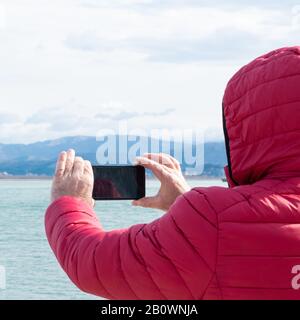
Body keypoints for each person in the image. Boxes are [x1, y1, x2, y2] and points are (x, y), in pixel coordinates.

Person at [45, 46, 300, 300]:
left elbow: (93, 266)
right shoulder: (215, 223)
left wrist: (70, 203)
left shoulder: (215, 223)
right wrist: (187, 208)